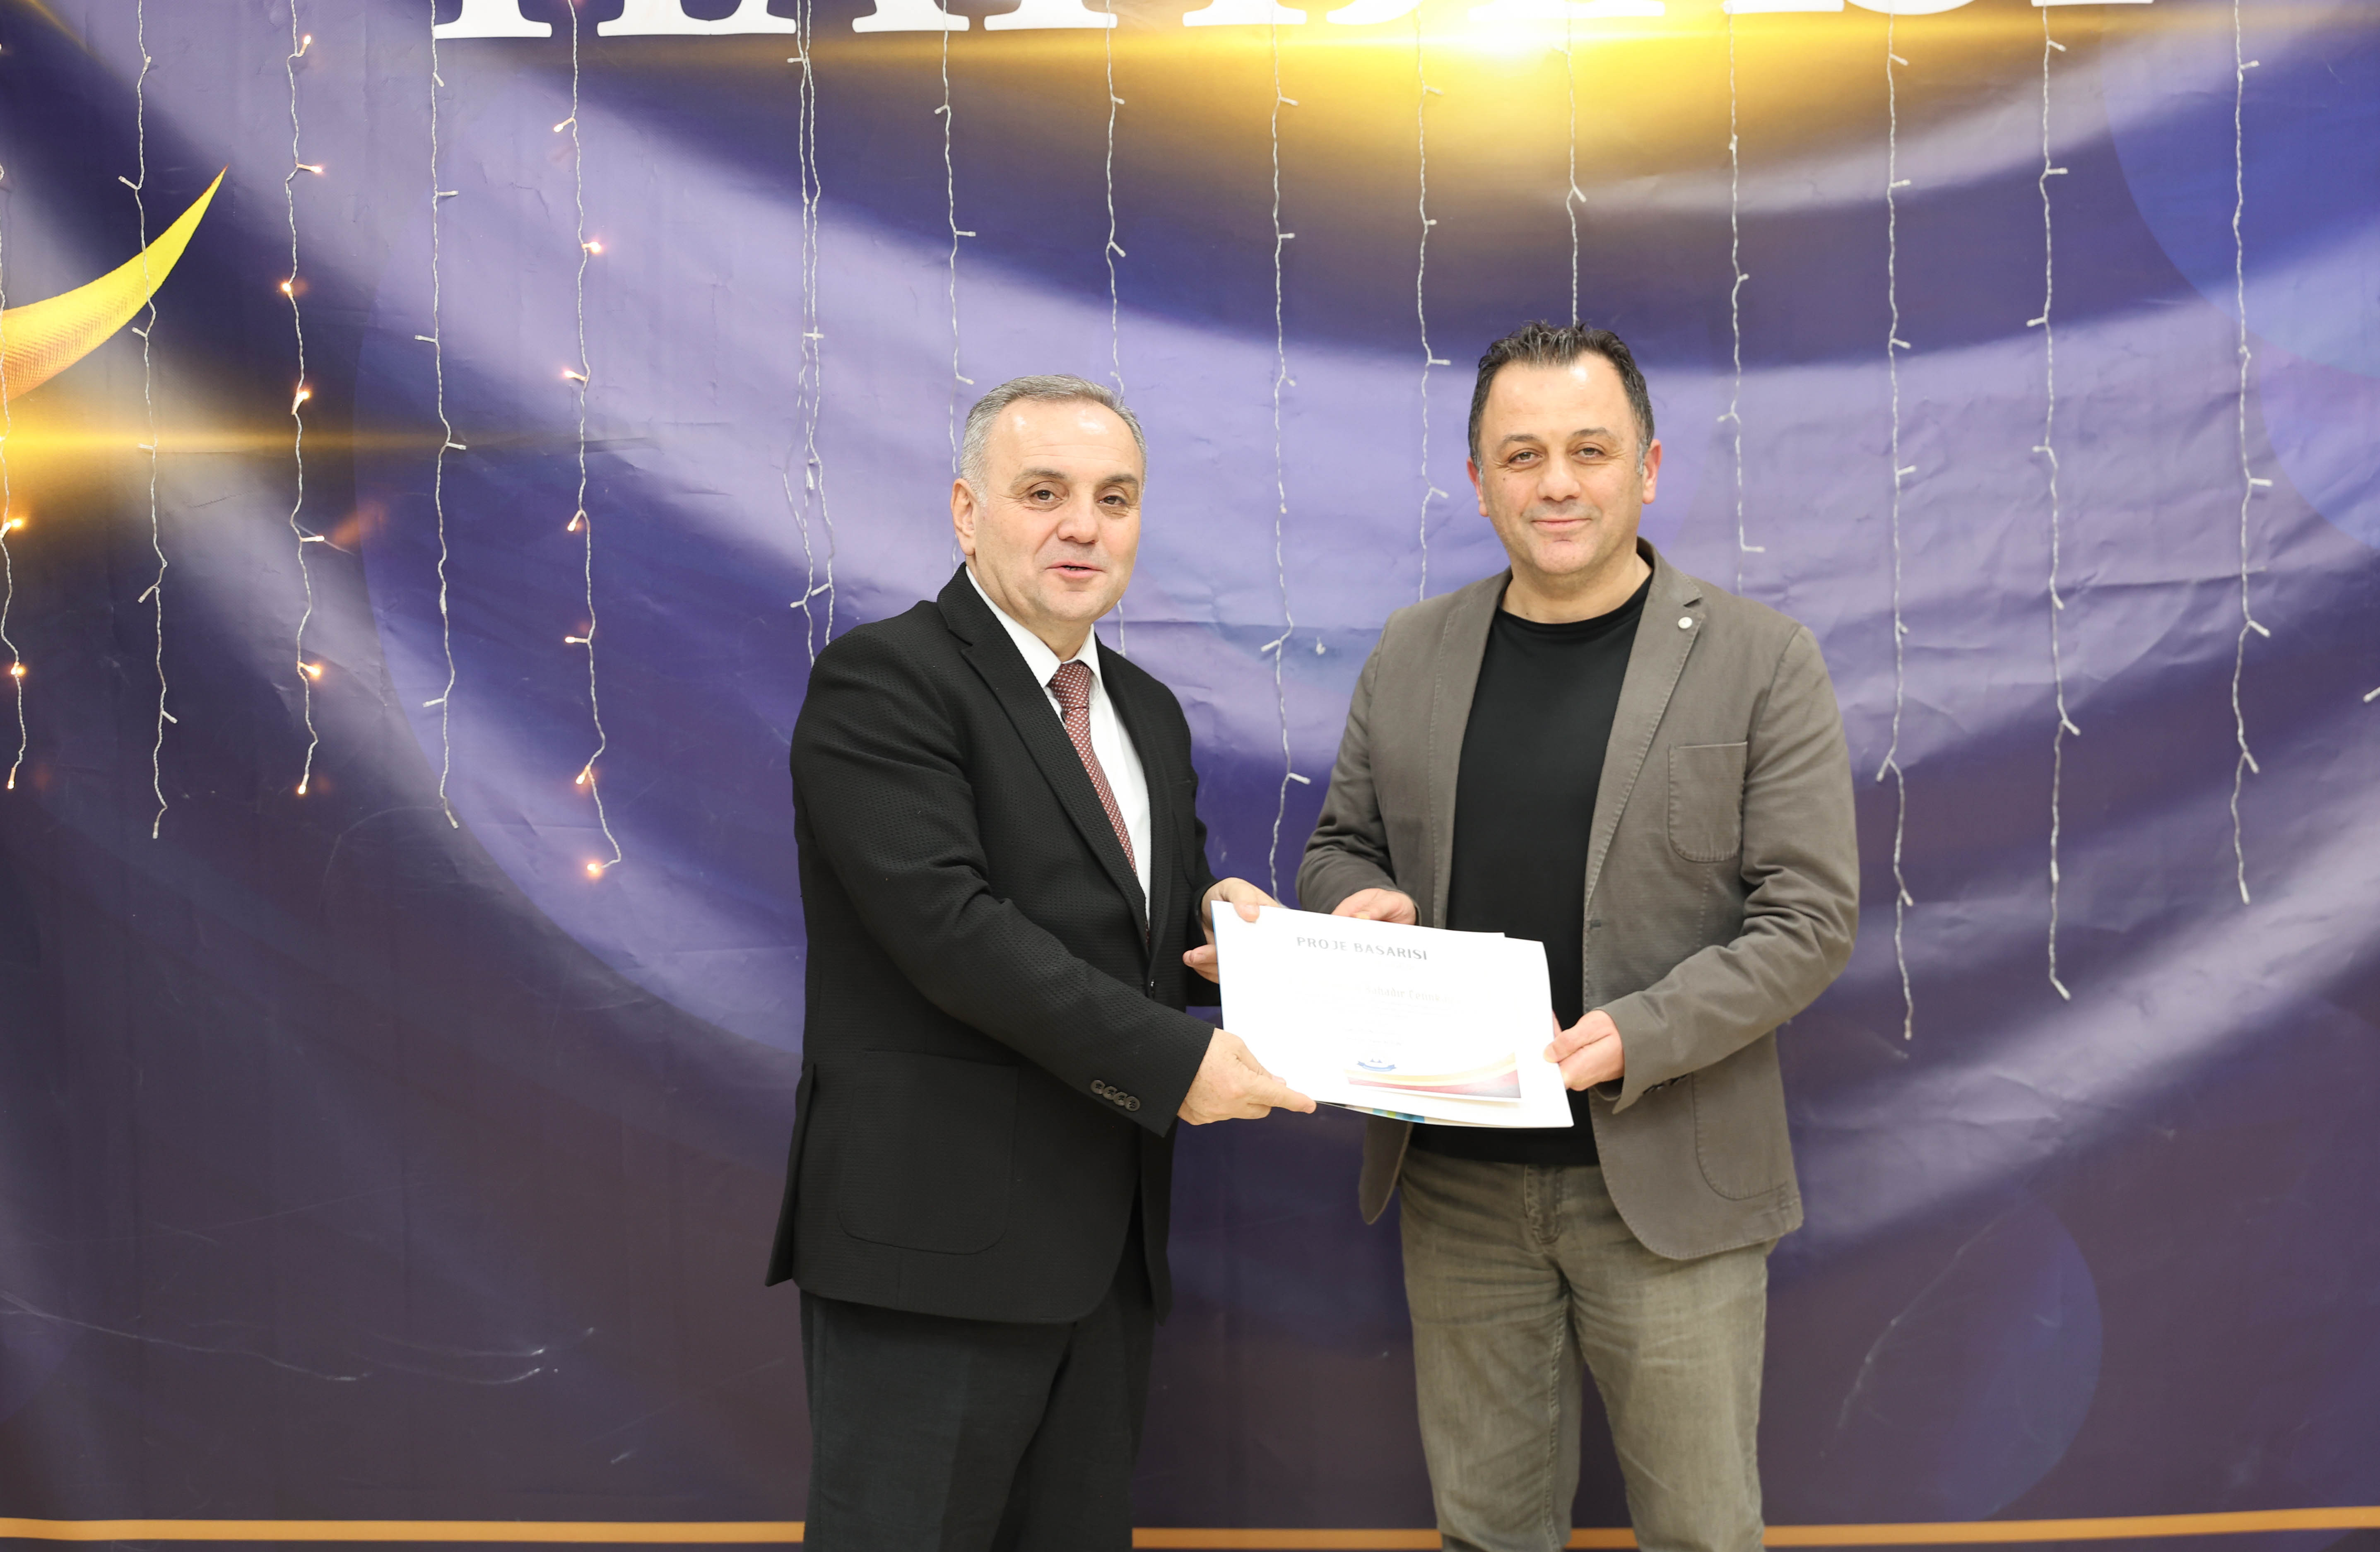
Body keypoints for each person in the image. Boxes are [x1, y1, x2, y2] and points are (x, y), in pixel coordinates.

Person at [1298, 323, 1859, 1552]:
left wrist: (1638, 1034)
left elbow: (1810, 918)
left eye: (1590, 451)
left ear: (1647, 469)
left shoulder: (1763, 660)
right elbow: (1341, 845)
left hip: (1668, 1180)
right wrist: (1356, 901)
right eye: (1522, 455)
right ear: (1479, 482)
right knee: (1487, 1534)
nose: (1556, 482)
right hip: (1456, 1182)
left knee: (1701, 1535)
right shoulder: (1410, 651)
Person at [768, 374, 1313, 1551]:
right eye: (1043, 492)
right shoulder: (886, 680)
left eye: (1114, 498)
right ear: (967, 512)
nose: (1083, 526)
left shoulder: (1147, 711)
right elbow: (952, 931)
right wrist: (1176, 1064)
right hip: (932, 1253)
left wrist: (1220, 922)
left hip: (1104, 1257)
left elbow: (1131, 917)